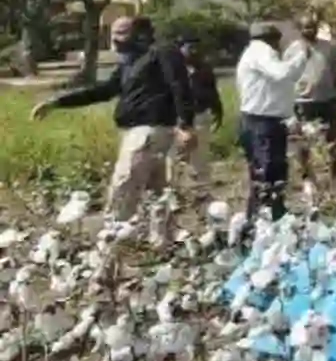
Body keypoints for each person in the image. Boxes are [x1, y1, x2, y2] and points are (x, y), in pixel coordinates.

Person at [31, 16, 194, 222]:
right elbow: (104, 91)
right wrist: (57, 102)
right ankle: (160, 246)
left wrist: (186, 125)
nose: (115, 39)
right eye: (112, 33)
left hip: (148, 131)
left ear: (140, 33)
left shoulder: (162, 52)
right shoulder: (131, 63)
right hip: (138, 133)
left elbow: (180, 86)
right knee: (158, 197)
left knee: (123, 187)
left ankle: (113, 237)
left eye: (121, 33)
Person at [236, 22, 311, 221]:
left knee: (272, 173)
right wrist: (302, 54)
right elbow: (283, 74)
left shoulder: (258, 54)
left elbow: (286, 78)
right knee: (267, 174)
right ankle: (265, 220)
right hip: (262, 123)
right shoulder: (261, 52)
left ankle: (269, 216)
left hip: (266, 122)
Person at [285, 16, 336, 182]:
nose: (309, 30)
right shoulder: (292, 50)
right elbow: (287, 78)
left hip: (328, 99)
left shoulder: (328, 47)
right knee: (304, 141)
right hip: (304, 103)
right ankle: (307, 176)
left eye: (312, 27)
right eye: (305, 27)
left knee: (333, 138)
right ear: (300, 29)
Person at [174, 35, 223, 191]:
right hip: (177, 120)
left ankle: (202, 191)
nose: (194, 51)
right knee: (175, 159)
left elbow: (213, 92)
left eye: (197, 47)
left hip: (200, 117)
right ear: (180, 49)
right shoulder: (172, 69)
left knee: (200, 157)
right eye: (190, 47)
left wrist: (218, 111)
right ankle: (174, 195)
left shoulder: (204, 68)